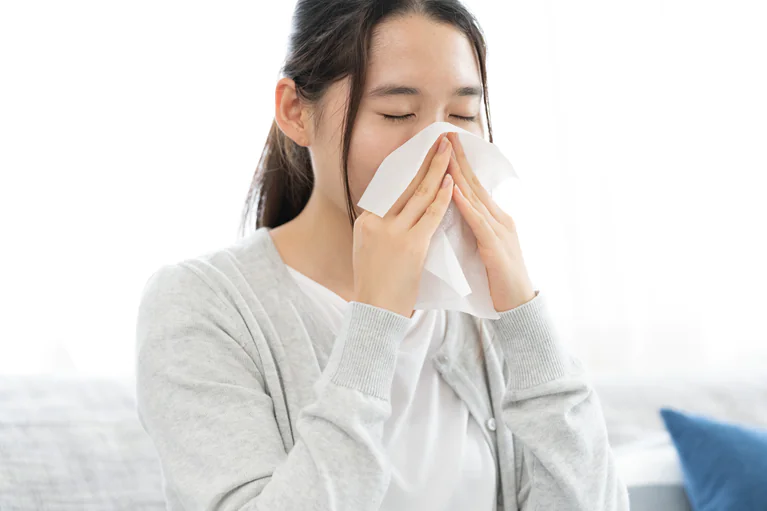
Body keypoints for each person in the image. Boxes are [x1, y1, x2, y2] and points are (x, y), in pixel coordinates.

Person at [134, 1, 630, 510]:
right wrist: (376, 321)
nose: (439, 149)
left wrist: (525, 319)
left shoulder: (482, 316)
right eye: (397, 113)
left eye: (462, 116)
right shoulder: (199, 305)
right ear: (294, 112)